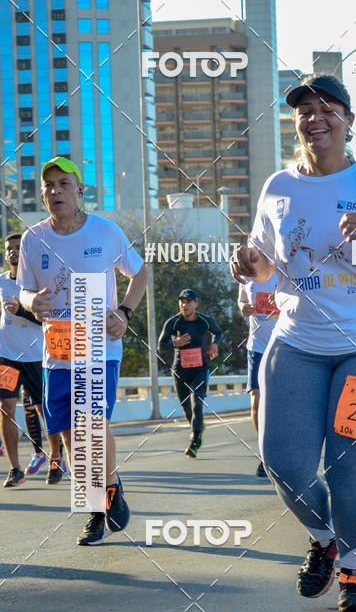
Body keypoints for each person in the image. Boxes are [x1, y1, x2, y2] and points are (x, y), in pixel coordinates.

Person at [230, 73, 356, 612]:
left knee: (344, 469)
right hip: (297, 343)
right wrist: (245, 264)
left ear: (349, 122)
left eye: (327, 109)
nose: (315, 118)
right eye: (305, 110)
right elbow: (262, 262)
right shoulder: (278, 188)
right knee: (282, 462)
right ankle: (326, 538)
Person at [18, 156, 147, 544]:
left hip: (99, 346)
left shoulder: (105, 232)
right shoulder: (32, 238)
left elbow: (139, 273)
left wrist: (123, 312)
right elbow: (22, 288)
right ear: (43, 194)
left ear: (79, 191)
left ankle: (103, 497)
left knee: (92, 424)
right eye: (49, 186)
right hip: (57, 351)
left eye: (63, 184)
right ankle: (98, 500)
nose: (55, 191)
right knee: (72, 435)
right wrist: (29, 302)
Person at [0, 233, 46, 486]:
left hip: (35, 356)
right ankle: (15, 468)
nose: (13, 252)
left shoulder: (36, 284)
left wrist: (21, 312)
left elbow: (44, 320)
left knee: (41, 409)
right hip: (6, 357)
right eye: (9, 249)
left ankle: (55, 457)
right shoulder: (0, 282)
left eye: (18, 248)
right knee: (6, 409)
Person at [157, 289, 222, 458]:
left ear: (195, 304)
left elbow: (219, 332)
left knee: (197, 401)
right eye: (182, 302)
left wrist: (215, 344)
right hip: (180, 371)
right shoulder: (173, 322)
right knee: (187, 408)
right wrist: (175, 343)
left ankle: (196, 440)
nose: (184, 305)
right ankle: (197, 427)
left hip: (200, 369)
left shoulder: (205, 321)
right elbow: (161, 345)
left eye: (188, 302)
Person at [238, 274, 279, 476]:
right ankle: (266, 453)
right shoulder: (246, 276)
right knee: (256, 400)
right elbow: (242, 299)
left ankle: (283, 447)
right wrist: (243, 307)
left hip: (283, 344)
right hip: (256, 347)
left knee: (280, 401)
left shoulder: (282, 269)